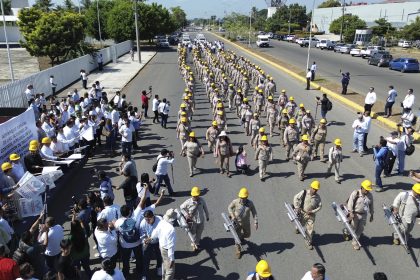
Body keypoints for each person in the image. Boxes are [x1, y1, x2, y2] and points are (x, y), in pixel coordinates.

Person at [146, 209, 176, 280]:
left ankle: (163, 277)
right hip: (167, 250)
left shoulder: (161, 222)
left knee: (165, 264)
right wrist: (171, 258)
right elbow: (170, 245)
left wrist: (150, 238)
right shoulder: (171, 229)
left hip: (161, 247)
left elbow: (156, 231)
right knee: (170, 270)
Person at [228, 187, 258, 258]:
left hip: (246, 223)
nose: (242, 199)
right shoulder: (235, 201)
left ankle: (240, 237)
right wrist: (232, 215)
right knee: (237, 238)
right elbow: (229, 207)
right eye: (241, 197)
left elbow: (254, 212)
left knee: (247, 235)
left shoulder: (250, 203)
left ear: (247, 196)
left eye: (244, 197)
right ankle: (238, 250)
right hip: (236, 222)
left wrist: (256, 222)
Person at [344, 180, 374, 250]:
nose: (367, 191)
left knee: (360, 229)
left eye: (368, 190)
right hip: (355, 214)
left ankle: (355, 242)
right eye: (366, 190)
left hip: (364, 215)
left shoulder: (370, 196)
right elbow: (350, 203)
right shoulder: (355, 193)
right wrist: (351, 212)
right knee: (353, 227)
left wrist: (372, 214)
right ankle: (346, 232)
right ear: (362, 187)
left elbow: (371, 205)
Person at [114, 205, 143, 277]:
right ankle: (139, 272)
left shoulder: (118, 222)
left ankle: (126, 274)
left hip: (125, 245)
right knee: (139, 258)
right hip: (137, 243)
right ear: (130, 212)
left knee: (125, 260)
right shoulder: (135, 219)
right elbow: (140, 205)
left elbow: (116, 231)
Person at [293, 181, 322, 250]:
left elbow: (320, 206)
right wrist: (296, 207)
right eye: (314, 188)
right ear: (311, 187)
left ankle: (308, 242)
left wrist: (312, 211)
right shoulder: (304, 192)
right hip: (302, 213)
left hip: (311, 215)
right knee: (300, 224)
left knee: (310, 229)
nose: (315, 190)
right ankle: (297, 228)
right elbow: (295, 198)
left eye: (316, 189)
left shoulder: (317, 197)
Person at [140, 210, 163, 279]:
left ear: (153, 216)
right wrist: (145, 240)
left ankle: (159, 267)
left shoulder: (160, 220)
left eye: (149, 219)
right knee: (145, 258)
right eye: (146, 219)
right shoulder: (143, 223)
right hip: (148, 242)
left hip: (158, 241)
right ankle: (144, 274)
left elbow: (162, 232)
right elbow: (142, 234)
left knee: (159, 255)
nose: (147, 221)